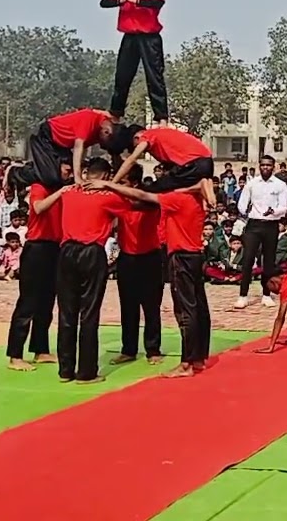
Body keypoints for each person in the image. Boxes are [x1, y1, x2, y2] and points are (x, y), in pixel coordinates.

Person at [89, 176, 212, 378]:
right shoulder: (194, 200)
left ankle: (167, 354)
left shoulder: (165, 203)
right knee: (131, 306)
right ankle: (132, 349)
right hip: (132, 258)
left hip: (158, 257)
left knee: (171, 308)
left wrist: (109, 184)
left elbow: (143, 196)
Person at [38, 158, 131, 383]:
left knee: (66, 312)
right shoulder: (108, 196)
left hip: (67, 251)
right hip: (91, 252)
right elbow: (128, 211)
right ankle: (86, 372)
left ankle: (65, 370)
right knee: (89, 313)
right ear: (107, 176)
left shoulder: (69, 192)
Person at [5, 163, 71, 371]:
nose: (69, 173)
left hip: (54, 247)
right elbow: (38, 208)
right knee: (28, 302)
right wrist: (61, 192)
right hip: (36, 248)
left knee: (47, 302)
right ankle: (15, 355)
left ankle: (40, 349)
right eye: (66, 169)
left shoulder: (60, 189)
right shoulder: (40, 187)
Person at [101, 0, 168, 124]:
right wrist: (121, 0)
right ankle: (116, 112)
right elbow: (104, 2)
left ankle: (161, 117)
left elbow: (157, 2)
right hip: (129, 37)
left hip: (149, 37)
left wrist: (135, 0)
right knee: (122, 76)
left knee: (154, 77)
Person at [108, 167, 166, 366]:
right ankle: (128, 349)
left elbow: (145, 203)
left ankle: (153, 349)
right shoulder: (119, 202)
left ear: (133, 184)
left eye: (122, 183)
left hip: (150, 258)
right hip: (127, 259)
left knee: (151, 307)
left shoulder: (149, 200)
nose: (118, 186)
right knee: (128, 306)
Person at [13, 108, 117, 191]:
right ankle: (15, 172)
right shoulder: (90, 119)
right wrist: (78, 178)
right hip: (48, 135)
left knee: (67, 175)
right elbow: (78, 146)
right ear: (106, 132)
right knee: (51, 176)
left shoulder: (104, 127)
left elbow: (84, 148)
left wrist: (78, 170)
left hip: (63, 145)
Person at [235, 155, 287, 309]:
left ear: (274, 166)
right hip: (254, 225)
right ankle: (243, 295)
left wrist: (274, 212)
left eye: (269, 165)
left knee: (269, 261)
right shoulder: (252, 184)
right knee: (248, 259)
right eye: (263, 165)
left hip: (271, 225)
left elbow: (284, 206)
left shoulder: (280, 185)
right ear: (259, 166)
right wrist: (246, 211)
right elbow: (242, 204)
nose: (266, 167)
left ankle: (266, 294)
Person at [110, 125, 217, 196]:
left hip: (193, 165)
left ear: (136, 138)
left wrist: (112, 184)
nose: (145, 152)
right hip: (206, 164)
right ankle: (200, 187)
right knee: (172, 192)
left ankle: (200, 186)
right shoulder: (162, 133)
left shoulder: (147, 136)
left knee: (152, 191)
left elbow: (131, 159)